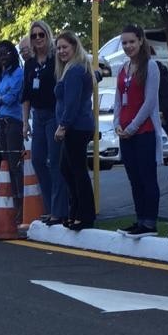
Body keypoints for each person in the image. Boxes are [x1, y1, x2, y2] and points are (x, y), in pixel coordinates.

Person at [113, 25, 163, 238]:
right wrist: (117, 123)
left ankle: (150, 222)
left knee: (147, 177)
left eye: (131, 42)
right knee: (134, 178)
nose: (128, 46)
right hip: (125, 133)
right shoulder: (123, 68)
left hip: (143, 131)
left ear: (141, 41)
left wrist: (132, 127)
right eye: (124, 43)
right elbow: (117, 100)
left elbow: (150, 101)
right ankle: (140, 218)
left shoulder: (150, 67)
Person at [23, 20, 68, 224]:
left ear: (48, 35)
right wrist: (25, 122)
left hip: (54, 114)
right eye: (34, 36)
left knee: (55, 163)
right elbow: (26, 95)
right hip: (38, 115)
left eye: (41, 34)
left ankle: (59, 210)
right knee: (37, 160)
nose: (38, 38)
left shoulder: (56, 58)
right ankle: (51, 207)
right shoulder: (30, 63)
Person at [53, 31, 97, 231]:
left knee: (77, 171)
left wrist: (63, 126)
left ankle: (85, 215)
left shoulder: (75, 71)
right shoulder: (71, 69)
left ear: (74, 47)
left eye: (65, 47)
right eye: (59, 48)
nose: (61, 51)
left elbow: (72, 103)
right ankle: (75, 211)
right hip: (76, 126)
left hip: (76, 127)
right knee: (67, 169)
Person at [0, 40, 26, 212]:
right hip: (1, 123)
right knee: (5, 163)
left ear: (13, 53)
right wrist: (1, 99)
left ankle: (21, 202)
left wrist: (1, 98)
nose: (2, 57)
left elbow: (11, 98)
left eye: (6, 53)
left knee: (15, 164)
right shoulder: (2, 76)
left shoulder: (18, 73)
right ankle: (13, 200)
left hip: (13, 122)